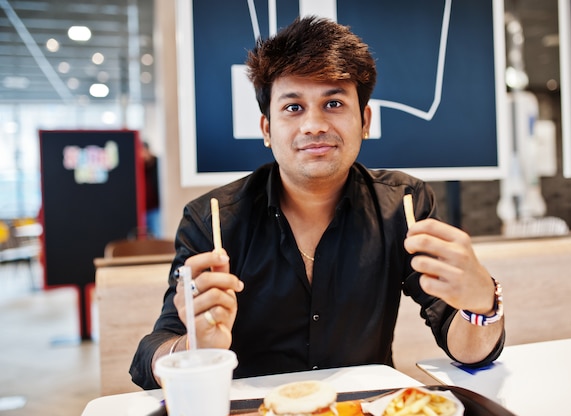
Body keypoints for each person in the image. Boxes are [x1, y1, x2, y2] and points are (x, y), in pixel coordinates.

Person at [130, 16, 505, 389]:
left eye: (334, 104)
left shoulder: (403, 205)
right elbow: (151, 358)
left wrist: (481, 303)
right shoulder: (211, 221)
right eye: (293, 108)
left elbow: (467, 350)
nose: (313, 125)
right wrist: (195, 346)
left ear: (365, 121)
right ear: (266, 129)